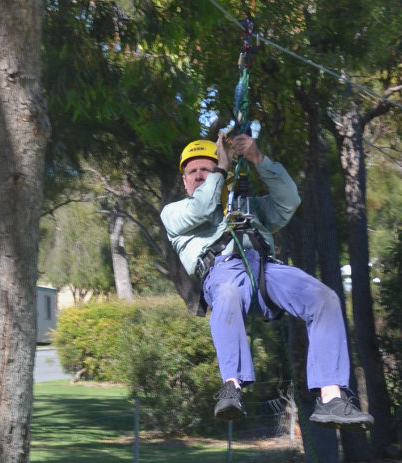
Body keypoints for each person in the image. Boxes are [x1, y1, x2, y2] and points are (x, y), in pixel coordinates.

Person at [160, 133, 374, 430]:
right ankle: (231, 387)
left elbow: (289, 200)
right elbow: (203, 207)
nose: (199, 175)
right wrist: (220, 170)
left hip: (266, 270)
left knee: (324, 298)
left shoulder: (250, 208)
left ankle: (331, 396)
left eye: (205, 169)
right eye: (192, 171)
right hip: (222, 272)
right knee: (227, 295)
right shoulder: (173, 213)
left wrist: (258, 159)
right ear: (184, 181)